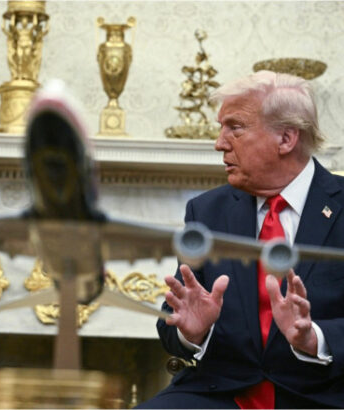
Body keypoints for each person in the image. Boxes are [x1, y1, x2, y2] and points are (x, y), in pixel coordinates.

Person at [140, 71, 344, 408]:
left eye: (234, 128)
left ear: (286, 139)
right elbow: (173, 324)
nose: (219, 143)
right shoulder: (206, 212)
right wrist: (192, 332)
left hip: (321, 395)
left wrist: (315, 338)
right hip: (220, 393)